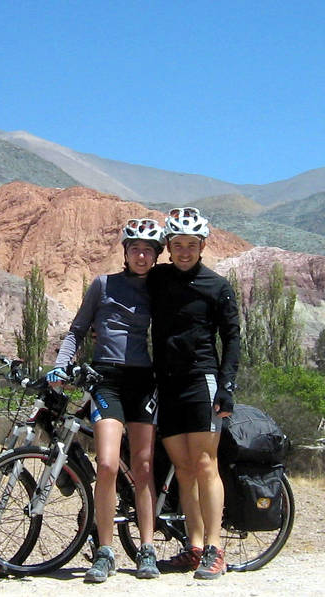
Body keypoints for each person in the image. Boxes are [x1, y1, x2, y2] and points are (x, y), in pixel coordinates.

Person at [47, 217, 164, 583]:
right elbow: (77, 330)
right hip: (107, 381)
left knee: (143, 467)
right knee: (109, 464)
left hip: (144, 382)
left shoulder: (161, 291)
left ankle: (147, 548)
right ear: (125, 252)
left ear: (156, 255)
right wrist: (60, 366)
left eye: (148, 250)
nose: (141, 256)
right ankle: (105, 551)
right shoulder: (104, 285)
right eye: (135, 250)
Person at [145, 207, 240, 580]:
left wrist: (227, 388)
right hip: (166, 383)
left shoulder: (217, 286)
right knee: (183, 470)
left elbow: (232, 340)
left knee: (204, 465)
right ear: (168, 245)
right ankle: (195, 546)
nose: (184, 251)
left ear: (203, 246)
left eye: (192, 245)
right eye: (178, 244)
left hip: (202, 381)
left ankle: (216, 549)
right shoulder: (158, 279)